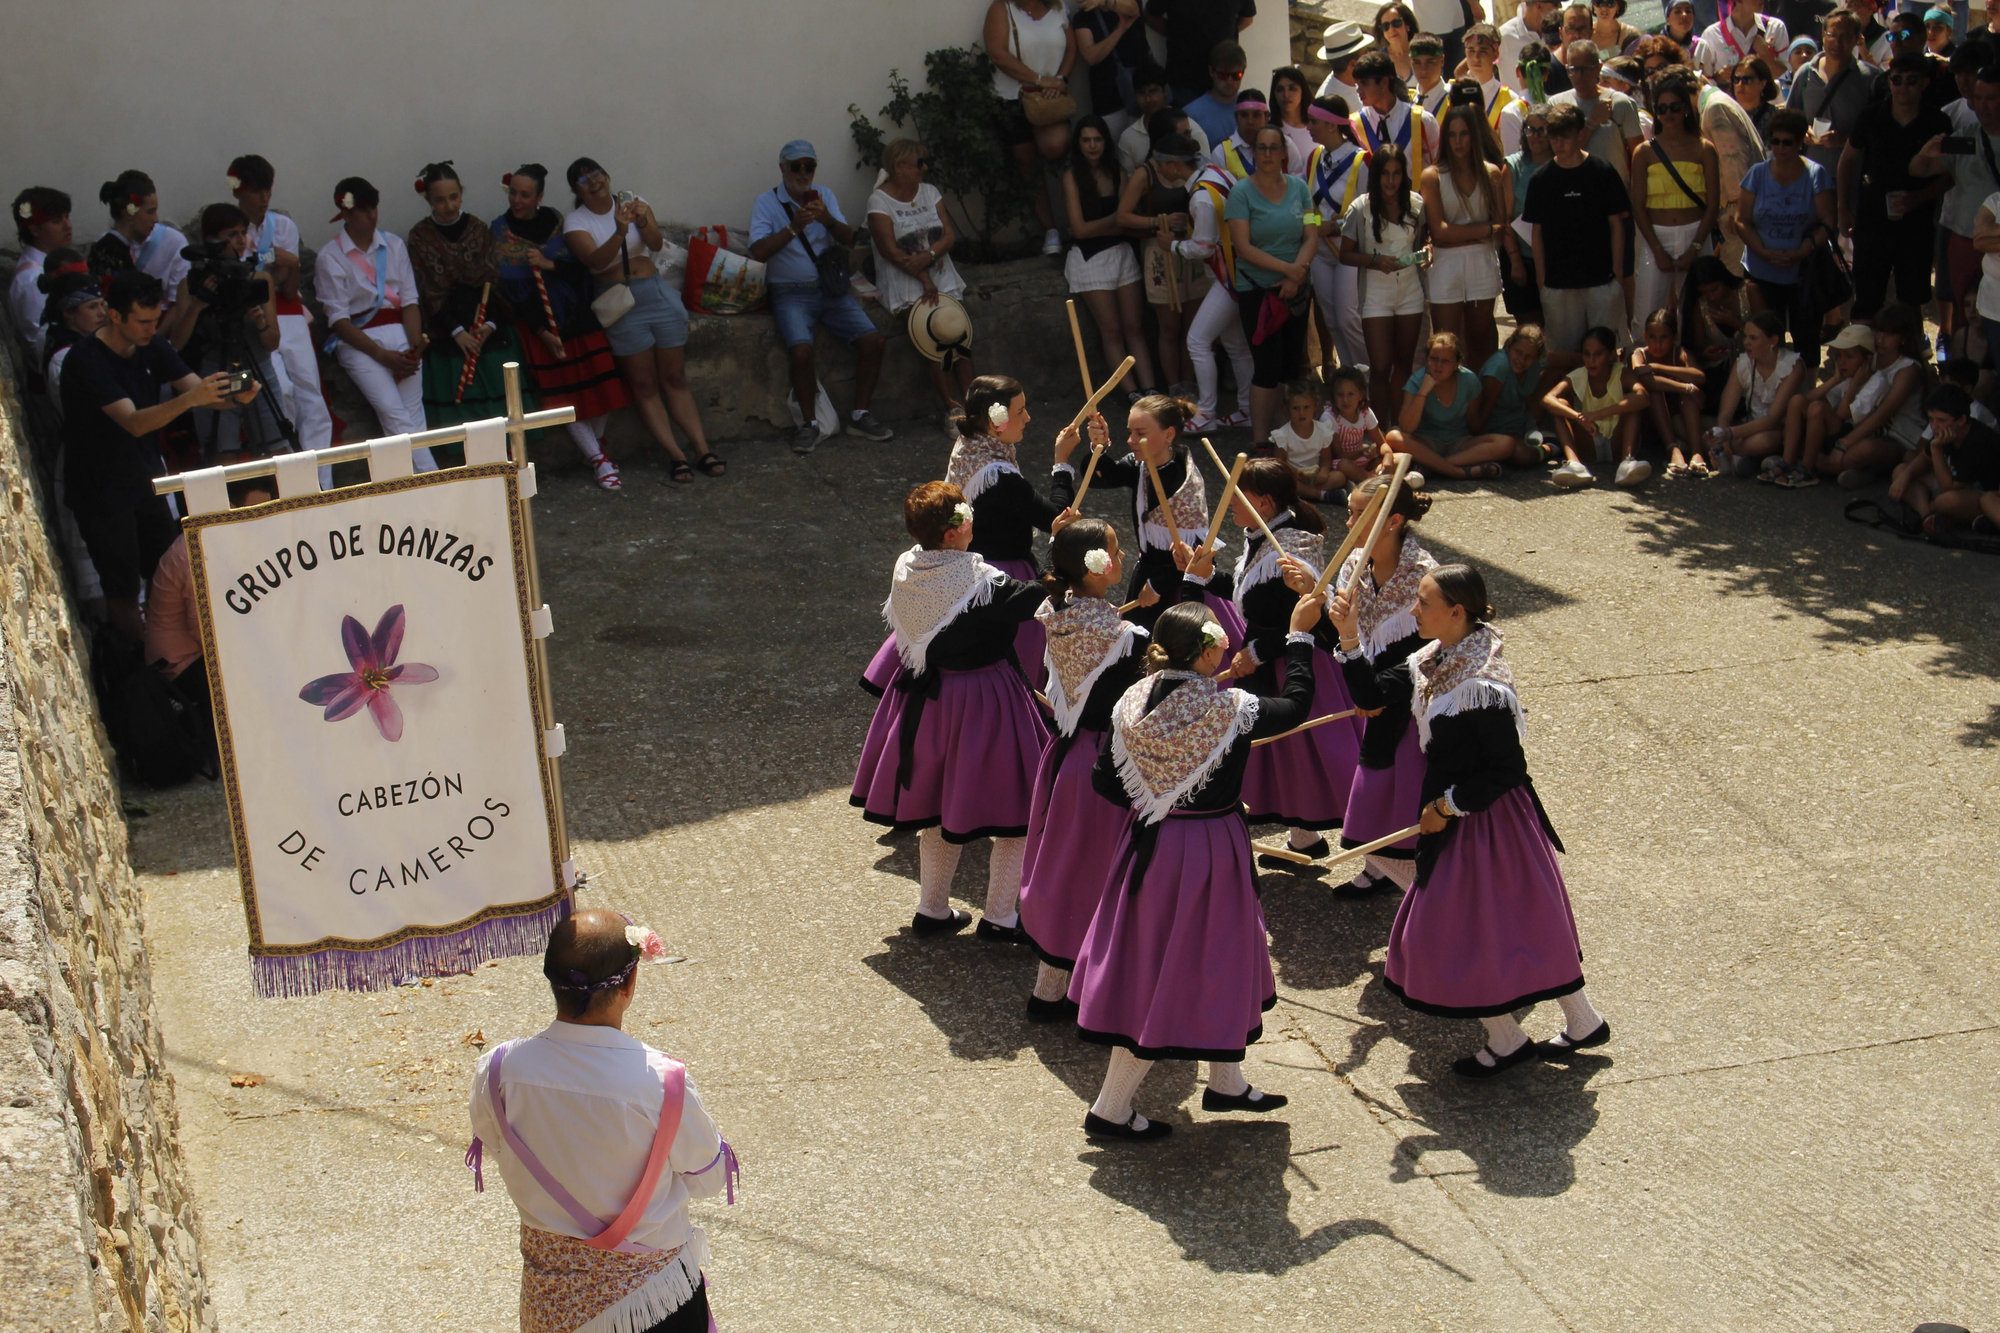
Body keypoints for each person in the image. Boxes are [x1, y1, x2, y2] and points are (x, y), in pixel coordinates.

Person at [1069, 595, 1315, 1140]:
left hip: (1149, 846)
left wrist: (1159, 790)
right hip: (1208, 850)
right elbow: (1297, 705)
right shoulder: (1228, 711)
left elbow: (1106, 784)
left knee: (1197, 961)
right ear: (1206, 655)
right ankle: (1110, 1109)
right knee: (1173, 973)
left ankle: (1226, 1081)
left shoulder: (1132, 701)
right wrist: (1300, 637)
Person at [1385, 563, 1608, 1078]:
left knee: (1455, 932)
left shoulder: (1480, 685)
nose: (1413, 610)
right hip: (1469, 817)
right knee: (1527, 925)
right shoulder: (1439, 658)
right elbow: (1378, 690)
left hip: (1483, 821)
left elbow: (1507, 769)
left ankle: (1508, 1039)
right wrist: (1346, 635)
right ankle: (1583, 1022)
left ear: (1456, 612)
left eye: (1422, 602)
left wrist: (1445, 808)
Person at [466, 909, 734, 1333]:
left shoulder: (498, 1069)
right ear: (629, 984)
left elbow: (497, 1145)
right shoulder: (661, 1083)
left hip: (551, 1308)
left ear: (550, 979)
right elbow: (708, 1179)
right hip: (654, 1302)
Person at [853, 481, 1053, 938]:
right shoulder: (984, 582)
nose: (973, 523)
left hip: (925, 702)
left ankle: (932, 910)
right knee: (1015, 813)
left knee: (939, 809)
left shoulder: (908, 564)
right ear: (952, 533)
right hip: (984, 701)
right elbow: (1038, 600)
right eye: (966, 518)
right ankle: (1002, 917)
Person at [61, 271, 247, 643]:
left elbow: (201, 391)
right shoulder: (86, 360)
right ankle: (141, 677)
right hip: (102, 491)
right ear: (115, 316)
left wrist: (238, 393)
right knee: (123, 589)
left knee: (170, 575)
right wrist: (191, 400)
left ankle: (177, 662)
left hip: (146, 482)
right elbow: (133, 422)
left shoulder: (154, 345)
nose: (151, 328)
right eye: (143, 321)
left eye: (154, 319)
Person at [1017, 519, 1155, 1021]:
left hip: (1066, 755)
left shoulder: (1057, 612)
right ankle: (1099, 993)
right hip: (1109, 765)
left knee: (1063, 867)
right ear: (1100, 569)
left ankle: (1048, 988)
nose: (1122, 559)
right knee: (1102, 875)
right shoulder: (1127, 636)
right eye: (1117, 553)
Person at [562, 159, 722, 480]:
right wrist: (620, 230)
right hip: (619, 301)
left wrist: (641, 219)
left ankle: (702, 448)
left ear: (607, 176)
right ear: (576, 190)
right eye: (583, 180)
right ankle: (675, 455)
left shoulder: (634, 202)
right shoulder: (575, 222)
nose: (593, 182)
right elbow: (595, 260)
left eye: (597, 174)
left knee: (674, 377)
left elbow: (656, 244)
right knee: (644, 383)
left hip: (654, 292)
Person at [944, 374, 1099, 689]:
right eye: (1020, 412)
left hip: (971, 570)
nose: (1028, 418)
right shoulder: (998, 476)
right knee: (1021, 670)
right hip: (1004, 578)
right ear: (995, 421)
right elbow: (1056, 518)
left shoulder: (970, 444)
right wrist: (1062, 462)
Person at [491, 164, 633, 490]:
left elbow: (581, 269)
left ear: (539, 196)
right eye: (513, 192)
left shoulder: (558, 222)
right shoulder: (499, 231)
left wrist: (548, 264)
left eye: (525, 194)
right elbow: (510, 294)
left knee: (603, 386)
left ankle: (594, 449)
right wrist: (543, 332)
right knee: (567, 399)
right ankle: (599, 460)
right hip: (538, 323)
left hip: (576, 313)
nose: (517, 200)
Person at [1327, 479, 1437, 897]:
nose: (1349, 521)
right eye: (1350, 511)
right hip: (1371, 685)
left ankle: (1415, 885)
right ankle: (1379, 868)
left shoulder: (1424, 576)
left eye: (1360, 514)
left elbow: (1422, 654)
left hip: (1409, 696)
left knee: (1399, 784)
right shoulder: (1354, 563)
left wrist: (1372, 689)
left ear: (1393, 521)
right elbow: (1342, 631)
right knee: (1375, 781)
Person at [747, 141, 893, 455]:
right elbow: (758, 251)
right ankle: (809, 424)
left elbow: (850, 240)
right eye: (796, 166)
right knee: (801, 351)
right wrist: (793, 227)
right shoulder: (766, 202)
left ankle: (860, 414)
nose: (803, 173)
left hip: (830, 289)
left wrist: (826, 218)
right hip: (790, 291)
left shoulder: (824, 196)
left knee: (874, 342)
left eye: (809, 167)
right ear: (783, 168)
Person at [1053, 394, 1215, 627]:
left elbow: (1201, 553)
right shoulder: (1140, 465)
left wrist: (1159, 585)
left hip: (1179, 580)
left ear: (1168, 434)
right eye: (1131, 432)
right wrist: (1100, 445)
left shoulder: (1182, 482)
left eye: (1140, 433)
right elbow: (1100, 477)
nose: (1130, 440)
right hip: (1147, 570)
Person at [315, 178, 436, 465]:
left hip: (402, 334)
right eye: (364, 209)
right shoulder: (329, 257)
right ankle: (436, 480)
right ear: (345, 213)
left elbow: (409, 302)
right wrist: (381, 355)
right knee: (392, 411)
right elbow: (339, 321)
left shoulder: (393, 244)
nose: (372, 215)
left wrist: (414, 347)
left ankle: (416, 485)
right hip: (359, 342)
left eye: (374, 208)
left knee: (413, 411)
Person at [406, 161, 523, 439]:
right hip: (447, 328)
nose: (448, 205)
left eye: (454, 197)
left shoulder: (477, 228)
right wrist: (457, 332)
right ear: (428, 199)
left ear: (461, 193)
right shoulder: (420, 236)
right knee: (462, 411)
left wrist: (490, 325)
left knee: (498, 396)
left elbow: (493, 282)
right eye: (440, 200)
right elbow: (427, 291)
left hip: (484, 323)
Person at [227, 155, 334, 454]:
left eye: (268, 190)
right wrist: (275, 259)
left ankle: (319, 479)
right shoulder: (231, 229)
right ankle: (286, 461)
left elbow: (289, 285)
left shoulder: (283, 225)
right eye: (255, 191)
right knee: (281, 391)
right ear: (237, 191)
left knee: (309, 391)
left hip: (287, 311)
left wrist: (293, 265)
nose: (263, 198)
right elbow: (243, 269)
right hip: (255, 314)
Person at [167, 203, 288, 459]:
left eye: (243, 232)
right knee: (222, 457)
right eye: (231, 234)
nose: (240, 240)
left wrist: (260, 322)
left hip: (258, 368)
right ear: (211, 240)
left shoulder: (258, 280)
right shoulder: (192, 284)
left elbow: (272, 342)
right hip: (217, 372)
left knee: (277, 452)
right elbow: (177, 342)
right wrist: (198, 304)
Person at [1842, 54, 1953, 321]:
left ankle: (1913, 360)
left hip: (1917, 224)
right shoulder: (1872, 115)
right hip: (1872, 221)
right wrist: (1843, 209)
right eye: (1897, 80)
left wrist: (1918, 197)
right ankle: (1862, 360)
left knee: (1912, 301)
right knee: (1866, 300)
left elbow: (1951, 175)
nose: (1903, 87)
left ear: (1924, 83)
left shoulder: (1938, 122)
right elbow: (1847, 160)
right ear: (1889, 82)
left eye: (1911, 81)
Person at [1226, 125, 1318, 446]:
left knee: (1291, 364)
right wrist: (1290, 271)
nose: (1267, 154)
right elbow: (1243, 246)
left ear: (1284, 152)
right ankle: (1260, 441)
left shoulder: (1300, 189)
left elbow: (1312, 232)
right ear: (1254, 153)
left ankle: (1287, 439)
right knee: (1266, 365)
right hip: (1258, 290)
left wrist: (1297, 273)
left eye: (1273, 147)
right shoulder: (1240, 193)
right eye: (1261, 148)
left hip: (1296, 289)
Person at [869, 139, 975, 418]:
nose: (924, 168)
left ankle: (975, 408)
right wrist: (923, 278)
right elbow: (889, 251)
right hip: (905, 282)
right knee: (933, 340)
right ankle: (953, 410)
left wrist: (928, 257)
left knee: (959, 337)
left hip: (940, 275)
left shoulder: (929, 192)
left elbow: (949, 235)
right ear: (899, 167)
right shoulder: (879, 201)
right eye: (919, 163)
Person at [1065, 115, 1160, 402]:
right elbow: (1080, 229)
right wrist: (1116, 219)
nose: (1092, 146)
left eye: (1097, 139)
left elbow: (1126, 221)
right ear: (1078, 144)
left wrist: (1116, 221)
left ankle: (1151, 389)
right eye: (1086, 140)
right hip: (1090, 259)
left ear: (1105, 142)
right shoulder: (1072, 177)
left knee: (1134, 327)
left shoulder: (1117, 171)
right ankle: (1130, 392)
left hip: (1122, 253)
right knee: (1112, 330)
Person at [1525, 102, 1633, 352]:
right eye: (1554, 136)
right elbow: (1536, 231)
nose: (1559, 143)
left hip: (1602, 280)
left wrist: (1617, 275)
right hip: (1557, 283)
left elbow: (1617, 225)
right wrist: (1542, 280)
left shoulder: (1602, 171)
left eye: (1566, 136)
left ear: (1579, 133)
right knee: (1563, 355)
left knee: (1608, 351)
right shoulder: (1540, 179)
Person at [1738, 108, 1837, 370]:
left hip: (1803, 273)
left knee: (1807, 337)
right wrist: (1761, 250)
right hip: (1762, 269)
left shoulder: (1816, 175)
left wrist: (1802, 250)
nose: (1780, 148)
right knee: (1767, 339)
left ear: (1800, 143)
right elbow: (1741, 220)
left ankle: (1804, 393)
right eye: (1775, 141)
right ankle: (1770, 396)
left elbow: (1828, 222)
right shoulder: (1757, 174)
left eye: (1787, 142)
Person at [1422, 105, 1514, 373]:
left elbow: (1501, 227)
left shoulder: (1491, 172)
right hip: (1446, 266)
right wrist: (1483, 230)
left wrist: (1457, 234)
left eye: (1464, 134)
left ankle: (1481, 405)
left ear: (1474, 136)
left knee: (1481, 339)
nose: (1458, 141)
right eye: (1452, 135)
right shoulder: (1433, 175)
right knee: (1445, 342)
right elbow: (1439, 231)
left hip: (1481, 262)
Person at [1342, 145, 1431, 425]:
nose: (1390, 181)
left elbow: (1427, 241)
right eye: (1384, 174)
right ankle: (1377, 430)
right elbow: (1345, 254)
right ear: (1375, 176)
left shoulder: (1417, 204)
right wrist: (1374, 260)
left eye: (1396, 173)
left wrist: (1428, 251)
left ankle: (1401, 426)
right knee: (1380, 367)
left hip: (1410, 291)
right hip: (1376, 295)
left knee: (1404, 364)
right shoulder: (1361, 207)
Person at [1630, 70, 1720, 340]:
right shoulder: (1644, 151)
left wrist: (1695, 247)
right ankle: (1643, 370)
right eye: (1662, 108)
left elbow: (1713, 204)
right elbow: (1638, 206)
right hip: (1656, 237)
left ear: (1685, 110)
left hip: (1696, 234)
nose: (1668, 114)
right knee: (1646, 311)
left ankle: (1693, 369)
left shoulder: (1704, 148)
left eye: (1675, 107)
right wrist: (1656, 248)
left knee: (1695, 311)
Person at [987, 0, 1079, 254]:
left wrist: (1059, 79)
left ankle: (1078, 223)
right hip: (1014, 98)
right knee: (1028, 167)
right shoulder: (1002, 9)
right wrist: (1039, 80)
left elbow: (1072, 49)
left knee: (1059, 149)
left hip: (1052, 98)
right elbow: (997, 53)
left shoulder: (1060, 8)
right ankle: (1051, 231)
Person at [1116, 131, 1202, 396]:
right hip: (1160, 251)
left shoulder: (1197, 174)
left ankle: (1189, 383)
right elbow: (1123, 216)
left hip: (1192, 248)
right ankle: (1174, 386)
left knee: (1193, 323)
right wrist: (1158, 221)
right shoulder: (1147, 173)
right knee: (1169, 326)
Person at [1805, 300, 1927, 486]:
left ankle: (1825, 464)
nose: (1881, 339)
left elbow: (1883, 414)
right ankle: (1845, 467)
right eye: (1879, 331)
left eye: (1889, 334)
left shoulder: (1908, 369)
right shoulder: (1871, 356)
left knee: (1862, 451)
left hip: (1898, 437)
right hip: (1859, 424)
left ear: (1903, 337)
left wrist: (1843, 444)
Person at [1175, 160, 1256, 429]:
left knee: (1197, 341)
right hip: (1240, 271)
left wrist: (1174, 245)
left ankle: (1206, 413)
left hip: (1229, 275)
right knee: (1237, 346)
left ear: (1174, 164)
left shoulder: (1200, 196)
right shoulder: (1216, 171)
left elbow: (1203, 247)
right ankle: (1247, 410)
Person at [1303, 95, 1372, 376]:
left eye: (1313, 121)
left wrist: (1333, 227)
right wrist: (1311, 227)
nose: (1308, 127)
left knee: (1348, 319)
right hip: (1319, 250)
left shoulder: (1362, 160)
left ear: (1332, 125)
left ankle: (1367, 374)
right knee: (1331, 320)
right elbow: (1307, 203)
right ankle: (1348, 375)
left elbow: (1368, 211)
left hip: (1348, 250)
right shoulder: (1314, 157)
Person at [1391, 330, 1521, 479]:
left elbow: (1474, 425)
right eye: (1434, 359)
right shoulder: (1417, 380)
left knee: (1507, 443)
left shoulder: (1469, 381)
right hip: (1426, 443)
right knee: (1393, 436)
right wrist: (1423, 392)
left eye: (1446, 361)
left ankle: (1434, 466)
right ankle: (1458, 471)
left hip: (1459, 443)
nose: (1438, 365)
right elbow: (1407, 427)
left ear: (1457, 364)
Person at [1543, 324, 1653, 486]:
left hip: (1617, 441)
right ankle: (1574, 464)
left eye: (1598, 354)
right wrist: (1579, 417)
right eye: (1587, 354)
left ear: (1610, 355)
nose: (1591, 360)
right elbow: (1547, 399)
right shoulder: (1580, 374)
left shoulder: (1621, 373)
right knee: (1560, 404)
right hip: (1589, 442)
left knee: (1632, 402)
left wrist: (1597, 415)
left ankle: (1627, 461)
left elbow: (1643, 397)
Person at [1890, 383, 2000, 533]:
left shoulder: (1978, 440)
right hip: (1956, 484)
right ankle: (1927, 516)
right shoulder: (1945, 432)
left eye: (1941, 420)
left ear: (1961, 420)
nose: (1934, 426)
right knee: (1902, 471)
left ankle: (1943, 515)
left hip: (1984, 494)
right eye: (1931, 419)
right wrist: (1905, 477)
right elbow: (1923, 458)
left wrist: (1936, 449)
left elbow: (1948, 489)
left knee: (1946, 502)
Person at [1708, 308, 1807, 475]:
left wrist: (1728, 435)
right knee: (1700, 427)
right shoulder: (1743, 364)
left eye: (1753, 338)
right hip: (1748, 429)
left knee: (1765, 441)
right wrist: (1724, 445)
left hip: (1779, 432)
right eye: (1745, 336)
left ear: (1773, 341)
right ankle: (1741, 457)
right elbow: (1725, 414)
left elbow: (1773, 420)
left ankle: (1751, 457)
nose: (1746, 342)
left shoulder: (1792, 366)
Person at [1780, 319, 1878, 483]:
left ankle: (1807, 469)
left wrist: (1854, 385)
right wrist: (1835, 379)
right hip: (1835, 434)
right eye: (1839, 356)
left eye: (1849, 357)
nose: (1841, 362)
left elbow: (1843, 413)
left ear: (1867, 359)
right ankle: (1787, 462)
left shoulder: (1875, 381)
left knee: (1817, 408)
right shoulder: (1846, 378)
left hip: (1854, 437)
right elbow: (1805, 399)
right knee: (1797, 400)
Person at [1784, 9, 1877, 177]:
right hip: (1808, 177)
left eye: (1846, 37)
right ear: (1823, 35)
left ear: (1857, 39)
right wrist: (1802, 131)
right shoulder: (1805, 74)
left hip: (1853, 179)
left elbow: (1880, 131)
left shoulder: (1869, 78)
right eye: (1832, 35)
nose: (1837, 42)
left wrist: (1847, 139)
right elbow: (1788, 120)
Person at [1551, 42, 1646, 191]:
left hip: (1614, 197)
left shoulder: (1621, 104)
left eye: (1585, 70)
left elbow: (1640, 156)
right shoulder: (1557, 104)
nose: (1579, 76)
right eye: (1573, 70)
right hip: (1572, 194)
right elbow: (1559, 155)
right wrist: (1592, 122)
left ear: (1598, 68)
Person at [1628, 308, 1710, 474]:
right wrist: (1686, 388)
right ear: (1644, 336)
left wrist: (1657, 367)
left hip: (1678, 418)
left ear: (1674, 337)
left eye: (1664, 338)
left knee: (1688, 398)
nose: (1658, 344)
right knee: (1654, 392)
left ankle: (1696, 451)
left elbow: (1699, 376)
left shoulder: (1679, 353)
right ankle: (1672, 448)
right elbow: (1643, 378)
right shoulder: (1639, 354)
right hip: (1649, 423)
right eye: (1652, 337)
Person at [93, 171, 190, 307]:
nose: (156, 219)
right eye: (150, 211)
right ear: (129, 212)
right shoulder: (105, 250)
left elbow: (178, 304)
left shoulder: (174, 241)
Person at [1471, 323, 1561, 464]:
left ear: (1537, 358)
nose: (1521, 360)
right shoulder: (1499, 367)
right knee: (1522, 456)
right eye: (1518, 352)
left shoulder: (1538, 363)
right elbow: (1483, 414)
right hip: (1495, 429)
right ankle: (1551, 447)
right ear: (1509, 346)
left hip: (1520, 419)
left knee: (1558, 371)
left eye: (1529, 357)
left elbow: (1567, 359)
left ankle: (1540, 434)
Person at [1147, 0, 1258, 110]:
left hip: (1225, 77)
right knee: (1184, 126)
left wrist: (1226, 36)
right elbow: (1150, 15)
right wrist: (1177, 35)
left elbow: (1247, 18)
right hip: (1184, 77)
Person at [1353, 50, 1443, 177]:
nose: (1358, 90)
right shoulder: (1354, 125)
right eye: (1357, 84)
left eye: (1365, 83)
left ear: (1384, 82)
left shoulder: (1422, 120)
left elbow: (1437, 168)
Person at [10, 187, 72, 362]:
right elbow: (41, 340)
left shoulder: (49, 266)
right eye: (57, 220)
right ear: (35, 230)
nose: (67, 225)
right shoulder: (31, 280)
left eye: (67, 217)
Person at [1119, 64, 1212, 170]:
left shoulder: (1191, 129)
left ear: (1165, 90)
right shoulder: (1128, 137)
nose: (1148, 99)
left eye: (1153, 91)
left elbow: (1205, 171)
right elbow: (1129, 179)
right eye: (1142, 93)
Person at [1074, 0, 1146, 134]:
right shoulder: (1082, 17)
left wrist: (1103, 1)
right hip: (1107, 97)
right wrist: (1121, 29)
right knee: (1110, 149)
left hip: (1142, 92)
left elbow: (1133, 9)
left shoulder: (1122, 4)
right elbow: (1091, 57)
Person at [1210, 87, 1308, 178]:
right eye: (1244, 115)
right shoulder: (1221, 153)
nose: (1250, 121)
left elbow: (1299, 189)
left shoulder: (1286, 145)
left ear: (1266, 117)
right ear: (1236, 117)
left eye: (1256, 115)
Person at [1269, 378, 1342, 501]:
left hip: (1315, 476)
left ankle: (1306, 493)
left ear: (1315, 406)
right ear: (1288, 409)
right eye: (1296, 408)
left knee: (1339, 477)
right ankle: (1320, 495)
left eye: (1306, 407)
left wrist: (1324, 471)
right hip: (1293, 476)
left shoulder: (1322, 431)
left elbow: (1326, 459)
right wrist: (1295, 472)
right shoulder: (1283, 435)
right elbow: (1279, 463)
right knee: (1280, 481)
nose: (1301, 412)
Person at [1463, 26, 1528, 154]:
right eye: (1471, 51)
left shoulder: (1510, 98)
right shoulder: (1452, 92)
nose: (1476, 58)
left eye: (1483, 51)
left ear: (1495, 54)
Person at [1178, 38, 1252, 149]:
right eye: (1223, 75)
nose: (1230, 81)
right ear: (1211, 71)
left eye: (1237, 75)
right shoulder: (1191, 115)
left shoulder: (1253, 108)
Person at [1324, 365, 1393, 483]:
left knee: (1398, 459)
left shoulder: (1365, 412)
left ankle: (1365, 480)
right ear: (1333, 396)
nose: (1345, 400)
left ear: (1360, 395)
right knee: (1343, 466)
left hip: (1362, 460)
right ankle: (1374, 481)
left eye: (1351, 394)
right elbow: (1339, 454)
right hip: (1342, 462)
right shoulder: (1329, 418)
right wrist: (1361, 452)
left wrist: (1388, 457)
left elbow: (1381, 443)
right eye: (1340, 394)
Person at [1697, 0, 1789, 82]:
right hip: (1726, 100)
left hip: (1767, 99)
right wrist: (1720, 76)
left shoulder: (1775, 27)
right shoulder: (1712, 34)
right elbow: (1702, 82)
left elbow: (1787, 78)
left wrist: (1767, 56)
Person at [1501, 0, 1561, 94]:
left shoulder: (1560, 31)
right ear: (1539, 6)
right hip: (1517, 107)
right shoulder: (1504, 36)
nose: (1560, 8)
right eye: (1556, 4)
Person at [1315, 22, 1377, 107]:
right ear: (1353, 63)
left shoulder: (1368, 80)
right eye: (1365, 52)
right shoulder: (1329, 103)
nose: (1369, 54)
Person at [1732, 55, 1783, 141]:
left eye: (1747, 80)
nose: (1740, 84)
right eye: (1736, 79)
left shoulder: (1776, 118)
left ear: (1762, 84)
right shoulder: (1726, 114)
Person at [1272, 65, 1317, 161]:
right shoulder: (1269, 129)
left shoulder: (1317, 126)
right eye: (1280, 89)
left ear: (1303, 91)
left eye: (1292, 88)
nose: (1286, 95)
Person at [1372, 2, 1422, 83]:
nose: (1391, 29)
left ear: (1407, 25)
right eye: (1385, 26)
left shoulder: (1423, 54)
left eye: (1396, 23)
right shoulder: (1377, 61)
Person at [1410, 32, 1452, 120]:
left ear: (1442, 61)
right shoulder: (1406, 100)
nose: (1423, 70)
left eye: (1430, 62)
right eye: (1417, 63)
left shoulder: (1453, 100)